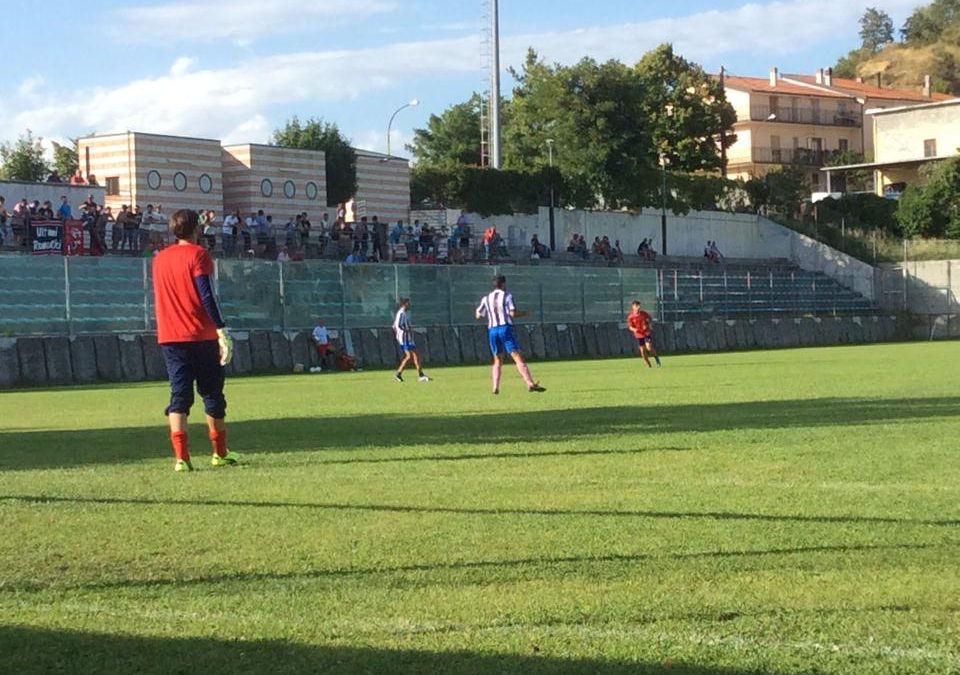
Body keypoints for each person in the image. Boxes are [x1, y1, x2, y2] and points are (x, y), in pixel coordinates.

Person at [152, 208, 240, 472]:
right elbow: (205, 294)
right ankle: (219, 453)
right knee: (212, 394)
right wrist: (221, 328)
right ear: (196, 229)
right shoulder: (198, 255)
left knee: (179, 395)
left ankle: (181, 458)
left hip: (170, 336)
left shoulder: (159, 259)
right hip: (200, 334)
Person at [476, 275, 545, 395]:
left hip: (492, 330)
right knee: (517, 356)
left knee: (497, 360)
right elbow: (512, 313)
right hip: (505, 328)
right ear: (503, 284)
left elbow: (478, 314)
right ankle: (529, 383)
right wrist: (525, 313)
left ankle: (495, 387)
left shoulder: (486, 298)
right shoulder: (507, 296)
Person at [392, 297, 430, 382]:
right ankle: (398, 374)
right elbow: (398, 325)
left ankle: (421, 375)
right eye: (408, 303)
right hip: (405, 338)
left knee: (416, 354)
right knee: (409, 356)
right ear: (405, 304)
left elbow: (393, 326)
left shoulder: (403, 313)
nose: (410, 305)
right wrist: (405, 331)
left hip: (408, 338)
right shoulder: (401, 313)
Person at [626, 300, 661, 368]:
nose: (638, 307)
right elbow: (630, 327)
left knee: (649, 348)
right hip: (639, 335)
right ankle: (648, 365)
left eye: (639, 306)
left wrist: (649, 324)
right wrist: (634, 329)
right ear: (633, 307)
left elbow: (649, 320)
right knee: (642, 351)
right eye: (636, 306)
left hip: (646, 333)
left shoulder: (644, 314)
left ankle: (656, 359)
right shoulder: (631, 316)